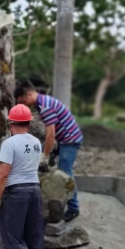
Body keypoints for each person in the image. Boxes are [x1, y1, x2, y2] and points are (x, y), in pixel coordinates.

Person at [0, 104, 46, 249]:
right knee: (35, 236)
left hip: (16, 194)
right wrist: (1, 160)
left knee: (12, 237)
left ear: (10, 123)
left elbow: (3, 175)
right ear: (28, 123)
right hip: (34, 191)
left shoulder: (9, 143)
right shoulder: (36, 142)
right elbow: (25, 164)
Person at [15, 84, 83, 222]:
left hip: (69, 140)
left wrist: (44, 156)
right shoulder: (42, 102)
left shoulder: (45, 106)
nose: (24, 105)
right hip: (65, 138)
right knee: (58, 165)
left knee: (65, 172)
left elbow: (50, 134)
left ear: (28, 94)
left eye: (23, 102)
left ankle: (73, 208)